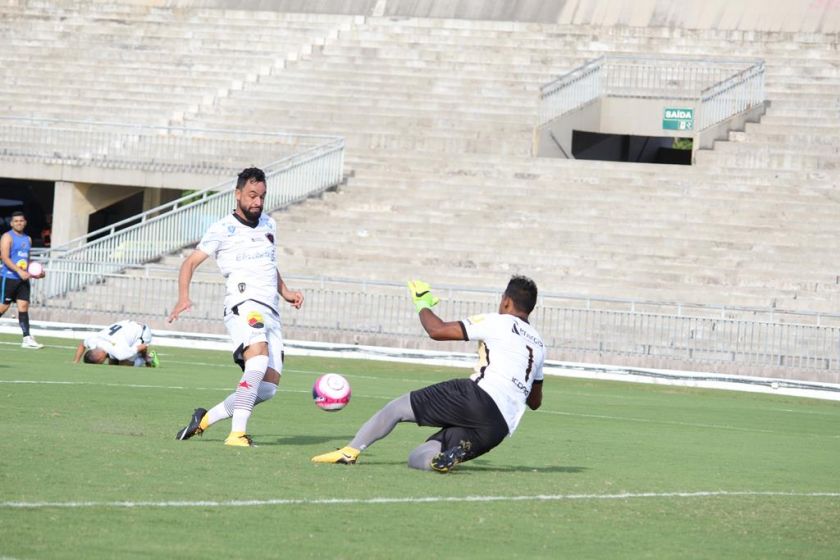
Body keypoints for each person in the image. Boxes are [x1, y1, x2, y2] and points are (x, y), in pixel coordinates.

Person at [312, 275, 546, 473]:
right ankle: (442, 459)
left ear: (506, 301)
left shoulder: (498, 321)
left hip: (477, 396)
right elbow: (535, 402)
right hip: (498, 427)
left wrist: (422, 304)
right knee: (419, 456)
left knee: (397, 408)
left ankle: (350, 451)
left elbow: (437, 330)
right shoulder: (539, 345)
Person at [168, 167, 304, 448]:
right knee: (256, 361)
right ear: (238, 194)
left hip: (272, 311)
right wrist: (184, 296)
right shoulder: (222, 229)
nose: (257, 202)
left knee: (267, 389)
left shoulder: (269, 224)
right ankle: (237, 434)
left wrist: (286, 291)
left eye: (262, 196)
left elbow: (268, 264)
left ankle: (203, 420)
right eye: (252, 195)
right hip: (244, 304)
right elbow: (189, 262)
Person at [0, 211, 45, 349]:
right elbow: (4, 257)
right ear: (12, 223)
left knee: (24, 307)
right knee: (3, 307)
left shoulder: (28, 239)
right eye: (16, 221)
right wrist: (19, 271)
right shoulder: (7, 237)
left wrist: (36, 272)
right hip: (9, 278)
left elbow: (27, 259)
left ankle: (27, 338)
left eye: (21, 220)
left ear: (25, 222)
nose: (19, 223)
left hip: (23, 280)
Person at [72, 319, 159, 367]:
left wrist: (145, 358)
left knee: (124, 364)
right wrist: (76, 361)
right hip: (128, 324)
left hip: (142, 332)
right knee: (112, 363)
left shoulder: (119, 352)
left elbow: (143, 346)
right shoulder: (93, 342)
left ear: (99, 360)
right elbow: (82, 345)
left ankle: (150, 357)